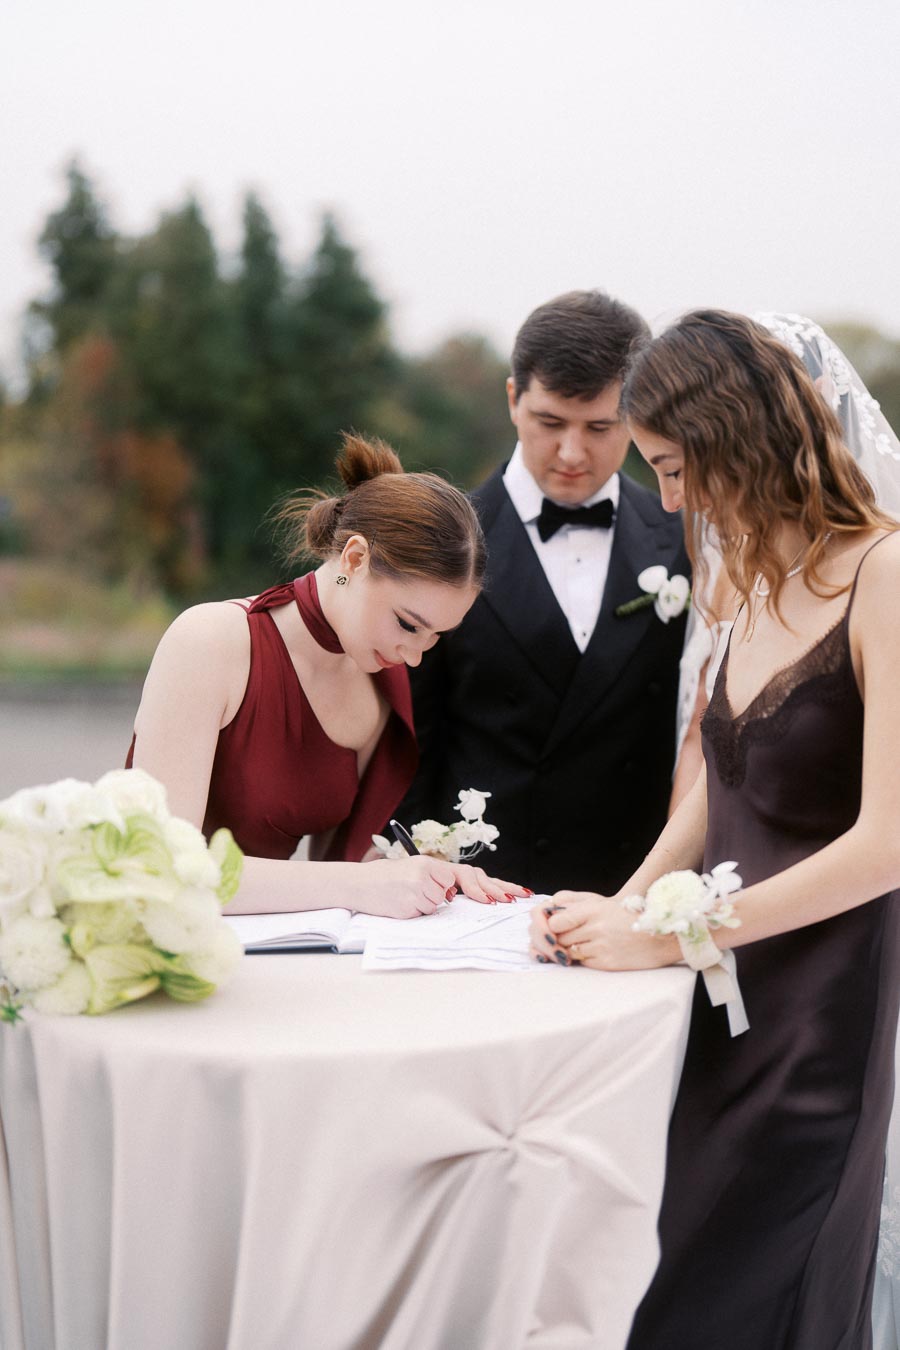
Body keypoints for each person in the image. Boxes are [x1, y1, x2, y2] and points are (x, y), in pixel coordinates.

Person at [530, 310, 900, 1349]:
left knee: (759, 1290)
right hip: (714, 994)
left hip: (819, 1018)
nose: (672, 498)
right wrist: (630, 898)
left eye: (677, 468)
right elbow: (718, 780)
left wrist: (675, 933)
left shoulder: (886, 577)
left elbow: (888, 843)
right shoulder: (748, 573)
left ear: (743, 435)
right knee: (670, 1279)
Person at [128, 433, 528, 917]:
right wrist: (363, 883)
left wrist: (432, 874)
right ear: (354, 560)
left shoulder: (381, 679)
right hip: (150, 937)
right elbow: (163, 869)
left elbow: (338, 866)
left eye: (436, 636)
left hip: (272, 952)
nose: (416, 655)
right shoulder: (209, 641)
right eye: (407, 624)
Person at [397, 290, 689, 895]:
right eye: (550, 423)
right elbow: (411, 745)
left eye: (601, 427)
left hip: (638, 892)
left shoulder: (685, 534)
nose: (572, 453)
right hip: (483, 894)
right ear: (513, 399)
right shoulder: (439, 543)